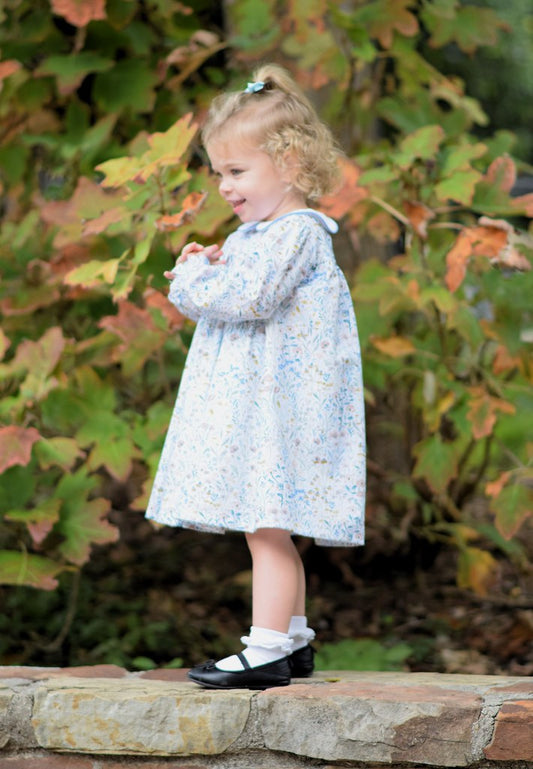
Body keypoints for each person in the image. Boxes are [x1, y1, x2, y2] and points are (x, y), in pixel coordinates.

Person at [145, 63, 366, 690]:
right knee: (267, 525)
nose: (224, 186)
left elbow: (249, 298)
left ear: (290, 165)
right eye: (219, 172)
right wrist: (211, 264)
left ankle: (266, 648)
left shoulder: (295, 234)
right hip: (263, 409)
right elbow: (242, 289)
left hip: (280, 414)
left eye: (237, 172)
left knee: (266, 527)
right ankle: (291, 640)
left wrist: (194, 279)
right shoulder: (260, 235)